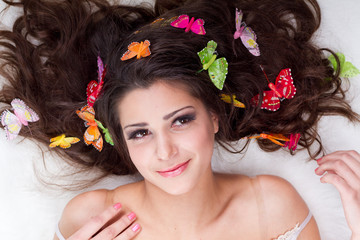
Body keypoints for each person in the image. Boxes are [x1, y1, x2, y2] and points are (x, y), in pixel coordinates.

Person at [0, 0, 359, 239]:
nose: (165, 150)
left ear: (215, 117)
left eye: (181, 121)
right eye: (140, 132)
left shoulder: (273, 206)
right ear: (120, 140)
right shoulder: (93, 219)